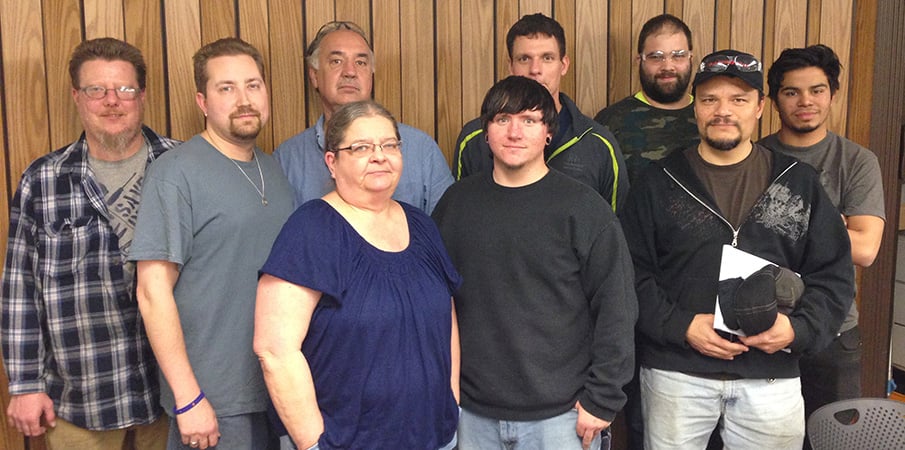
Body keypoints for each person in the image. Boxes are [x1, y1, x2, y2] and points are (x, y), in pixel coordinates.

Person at [620, 49, 855, 449]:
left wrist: (797, 330)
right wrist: (681, 326)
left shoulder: (797, 183)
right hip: (677, 375)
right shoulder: (658, 183)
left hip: (771, 377)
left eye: (738, 99)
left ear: (761, 107)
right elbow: (630, 275)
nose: (722, 111)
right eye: (710, 99)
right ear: (695, 107)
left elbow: (833, 275)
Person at [433, 75, 637, 450]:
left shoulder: (584, 209)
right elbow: (433, 303)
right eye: (502, 119)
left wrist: (602, 398)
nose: (514, 131)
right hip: (471, 413)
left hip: (562, 416)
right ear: (486, 132)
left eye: (529, 120)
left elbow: (617, 307)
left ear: (547, 133)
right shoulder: (455, 205)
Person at [254, 100, 461, 450]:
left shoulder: (422, 225)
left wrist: (450, 403)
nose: (379, 155)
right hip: (344, 441)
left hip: (432, 436)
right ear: (332, 162)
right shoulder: (311, 229)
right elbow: (274, 349)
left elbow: (446, 319)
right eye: (361, 147)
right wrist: (313, 443)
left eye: (389, 145)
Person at [0, 37, 175, 450]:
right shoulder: (42, 181)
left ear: (142, 95)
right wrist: (25, 383)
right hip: (81, 397)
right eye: (97, 90)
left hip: (171, 395)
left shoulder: (181, 168)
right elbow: (20, 290)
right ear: (77, 96)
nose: (111, 101)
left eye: (125, 89)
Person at [130, 37, 294, 450]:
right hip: (212, 398)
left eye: (253, 85)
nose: (244, 99)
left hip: (274, 386)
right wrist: (188, 398)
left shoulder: (272, 168)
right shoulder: (175, 173)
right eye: (227, 88)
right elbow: (152, 292)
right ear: (202, 101)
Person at [759, 45, 885, 426]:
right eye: (791, 92)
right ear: (774, 101)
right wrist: (833, 228)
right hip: (764, 327)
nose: (805, 101)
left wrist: (784, 228)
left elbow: (865, 249)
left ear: (833, 94)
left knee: (835, 438)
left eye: (817, 90)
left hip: (835, 330)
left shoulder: (857, 162)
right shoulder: (754, 158)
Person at [453, 13, 628, 213]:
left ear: (564, 65)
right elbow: (459, 214)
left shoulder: (599, 143)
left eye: (547, 58)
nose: (535, 70)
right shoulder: (474, 138)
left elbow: (615, 230)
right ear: (511, 65)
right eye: (524, 58)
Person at [274, 21, 453, 213]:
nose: (350, 72)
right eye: (336, 61)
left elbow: (447, 232)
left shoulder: (422, 150)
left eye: (360, 62)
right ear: (315, 76)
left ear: (371, 75)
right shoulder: (286, 160)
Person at [594, 14, 699, 182]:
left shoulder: (710, 118)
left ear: (690, 59)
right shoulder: (611, 121)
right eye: (656, 57)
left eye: (678, 55)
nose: (667, 66)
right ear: (639, 61)